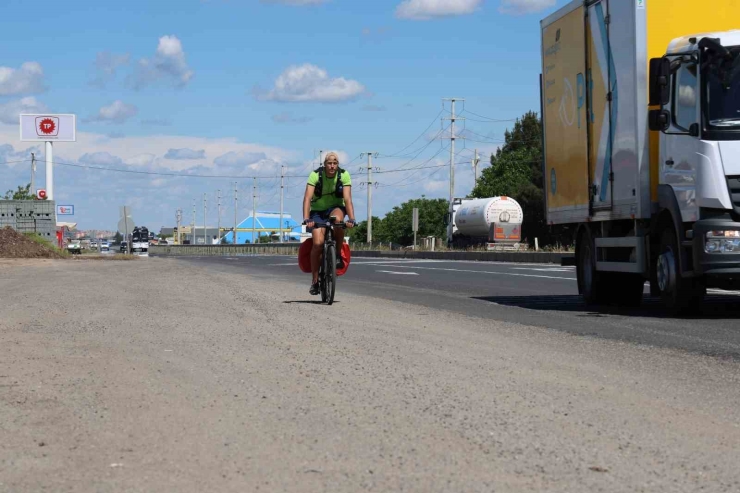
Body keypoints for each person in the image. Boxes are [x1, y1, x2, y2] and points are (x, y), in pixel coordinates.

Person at [303, 152, 356, 295]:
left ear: (338, 164)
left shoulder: (344, 175)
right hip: (317, 212)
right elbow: (307, 198)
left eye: (335, 163)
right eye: (329, 163)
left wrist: (351, 218)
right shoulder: (315, 175)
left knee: (338, 221)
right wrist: (307, 218)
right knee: (318, 244)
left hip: (335, 209)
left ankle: (337, 255)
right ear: (324, 164)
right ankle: (315, 281)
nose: (332, 166)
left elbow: (348, 199)